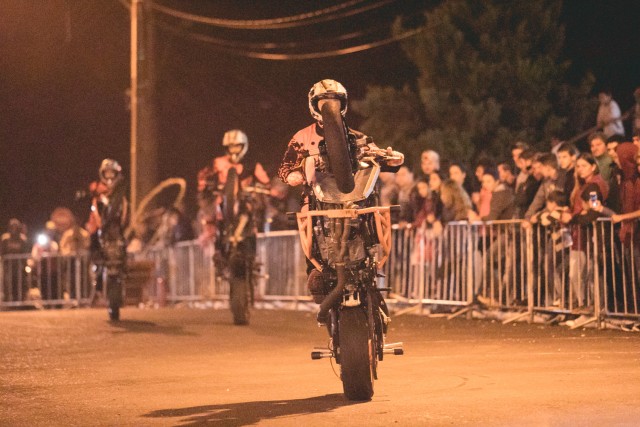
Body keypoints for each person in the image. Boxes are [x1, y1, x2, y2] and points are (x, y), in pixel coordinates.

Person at [277, 79, 404, 302]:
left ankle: (370, 266)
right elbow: (284, 167)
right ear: (314, 105)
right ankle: (317, 275)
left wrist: (393, 160)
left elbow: (377, 156)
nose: (329, 105)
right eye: (324, 102)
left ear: (342, 104)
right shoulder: (301, 137)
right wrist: (291, 175)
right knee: (311, 243)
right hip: (316, 203)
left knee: (373, 220)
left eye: (334, 101)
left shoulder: (357, 137)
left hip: (355, 202)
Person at [85, 159, 129, 320]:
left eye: (112, 173)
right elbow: (90, 192)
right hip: (99, 227)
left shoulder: (120, 190)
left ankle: (124, 265)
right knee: (93, 241)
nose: (109, 176)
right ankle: (97, 267)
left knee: (125, 239)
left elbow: (124, 210)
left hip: (117, 227)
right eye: (107, 173)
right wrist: (87, 194)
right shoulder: (97, 189)